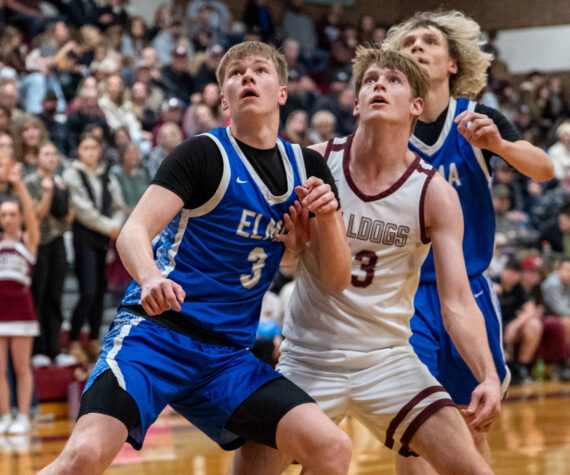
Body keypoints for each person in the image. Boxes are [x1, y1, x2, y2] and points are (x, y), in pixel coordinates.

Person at [39, 41, 352, 475]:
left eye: (259, 70)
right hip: (156, 335)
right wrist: (149, 278)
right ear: (222, 99)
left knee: (332, 448)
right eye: (235, 73)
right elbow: (134, 231)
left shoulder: (309, 167)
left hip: (227, 356)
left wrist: (318, 230)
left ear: (282, 91)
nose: (247, 77)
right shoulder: (201, 153)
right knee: (83, 457)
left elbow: (331, 279)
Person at [233, 47, 500, 475]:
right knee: (249, 468)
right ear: (355, 103)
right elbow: (285, 265)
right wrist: (294, 249)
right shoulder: (312, 162)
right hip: (308, 358)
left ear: (416, 105)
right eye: (370, 80)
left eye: (393, 80)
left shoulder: (433, 193)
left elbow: (456, 301)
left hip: (388, 360)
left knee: (472, 468)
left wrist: (486, 374)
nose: (379, 84)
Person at [382, 10, 554, 471]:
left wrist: (501, 145)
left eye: (429, 41)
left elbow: (544, 168)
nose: (418, 46)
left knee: (473, 423)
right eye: (408, 42)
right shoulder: (384, 127)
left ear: (452, 63)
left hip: (469, 291)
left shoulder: (478, 118)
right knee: (413, 429)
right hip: (405, 295)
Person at [63, 133, 125, 364]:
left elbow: (119, 205)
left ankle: (94, 341)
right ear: (79, 151)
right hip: (84, 238)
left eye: (94, 147)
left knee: (100, 291)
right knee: (88, 290)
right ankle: (74, 340)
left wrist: (116, 224)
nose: (90, 152)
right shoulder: (72, 173)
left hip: (104, 239)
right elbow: (82, 209)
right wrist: (111, 227)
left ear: (99, 151)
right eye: (85, 147)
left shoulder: (108, 176)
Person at [0, 155, 40, 434]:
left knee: (21, 366)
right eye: (3, 214)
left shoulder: (29, 241)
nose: (9, 218)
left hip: (22, 309)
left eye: (13, 214)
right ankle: (4, 416)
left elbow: (31, 214)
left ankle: (23, 415)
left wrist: (18, 184)